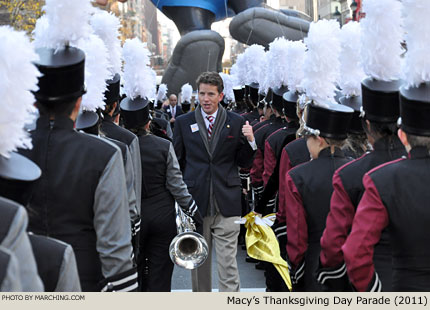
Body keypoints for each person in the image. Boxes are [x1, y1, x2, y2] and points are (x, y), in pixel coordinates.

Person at [20, 44, 136, 292]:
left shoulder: (10, 150)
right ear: (79, 102)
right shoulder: (104, 154)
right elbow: (114, 247)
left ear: (34, 103)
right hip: (84, 282)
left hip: (20, 281)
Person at [120, 38, 202, 292]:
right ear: (148, 122)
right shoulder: (162, 145)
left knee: (133, 273)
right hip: (163, 215)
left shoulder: (117, 147)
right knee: (159, 277)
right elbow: (176, 185)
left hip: (130, 218)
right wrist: (193, 211)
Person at [173, 71, 256, 292]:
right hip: (196, 202)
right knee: (199, 262)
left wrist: (251, 142)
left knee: (228, 263)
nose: (205, 99)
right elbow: (177, 162)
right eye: (202, 93)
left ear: (220, 96)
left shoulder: (236, 121)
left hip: (227, 201)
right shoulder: (183, 122)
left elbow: (243, 162)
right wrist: (181, 198)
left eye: (211, 94)